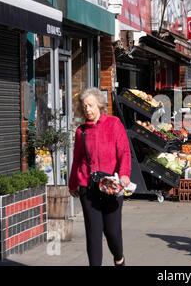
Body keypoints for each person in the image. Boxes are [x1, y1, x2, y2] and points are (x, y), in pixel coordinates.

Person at [69, 87, 131, 266]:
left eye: (90, 105)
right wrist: (73, 183)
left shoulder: (114, 123)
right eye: (84, 106)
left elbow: (124, 153)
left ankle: (119, 258)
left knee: (112, 233)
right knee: (94, 235)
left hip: (111, 187)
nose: (87, 109)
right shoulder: (81, 131)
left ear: (99, 105)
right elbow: (77, 158)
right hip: (88, 188)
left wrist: (125, 175)